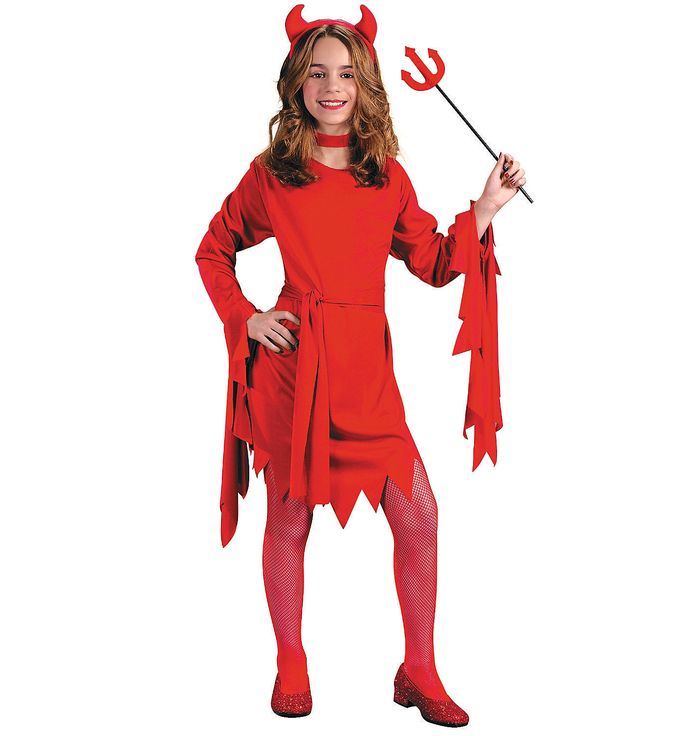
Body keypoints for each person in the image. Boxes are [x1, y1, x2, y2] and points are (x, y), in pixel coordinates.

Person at [194, 3, 526, 726]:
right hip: (297, 372)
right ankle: (291, 660)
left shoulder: (387, 179)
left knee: (419, 514)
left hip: (367, 377)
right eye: (317, 73)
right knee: (289, 519)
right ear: (297, 83)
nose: (331, 86)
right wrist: (247, 318)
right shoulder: (272, 176)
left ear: (365, 84)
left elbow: (435, 262)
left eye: (345, 74)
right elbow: (213, 249)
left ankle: (419, 667)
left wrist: (486, 207)